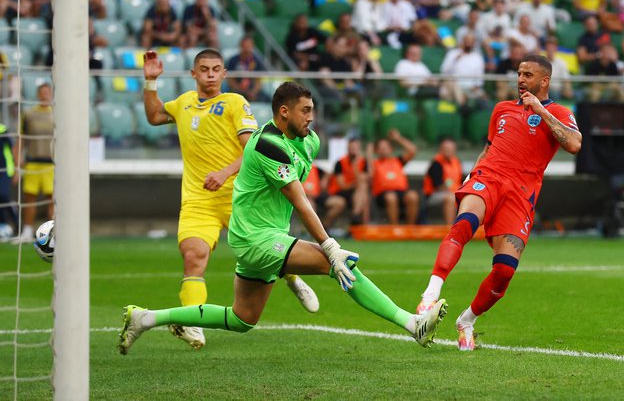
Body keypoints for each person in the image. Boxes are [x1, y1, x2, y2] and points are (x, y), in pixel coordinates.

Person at [118, 82, 447, 355]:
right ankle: (411, 323)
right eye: (305, 111)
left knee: (243, 318)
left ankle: (145, 318)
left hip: (263, 237)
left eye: (313, 110)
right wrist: (329, 245)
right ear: (283, 111)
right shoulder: (267, 145)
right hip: (255, 238)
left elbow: (296, 195)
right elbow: (300, 201)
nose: (311, 118)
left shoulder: (311, 141)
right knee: (338, 264)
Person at [139, 49, 318, 350]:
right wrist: (150, 83)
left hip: (239, 197)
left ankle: (292, 278)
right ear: (193, 74)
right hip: (199, 199)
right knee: (193, 257)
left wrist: (224, 173)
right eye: (204, 69)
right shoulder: (183, 103)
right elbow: (155, 115)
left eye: (216, 69)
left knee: (265, 250)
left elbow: (253, 149)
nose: (210, 74)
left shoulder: (235, 103)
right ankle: (192, 325)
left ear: (224, 74)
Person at [416, 54, 582, 351]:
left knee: (504, 271)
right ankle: (429, 296)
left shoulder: (558, 111)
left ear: (544, 81)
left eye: (528, 75)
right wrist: (471, 177)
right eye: (519, 73)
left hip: (521, 193)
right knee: (464, 225)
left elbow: (574, 144)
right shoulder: (501, 109)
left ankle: (466, 321)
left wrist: (541, 111)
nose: (520, 79)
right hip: (489, 176)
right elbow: (489, 148)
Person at [14, 83, 54, 243]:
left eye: (47, 92)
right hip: (33, 162)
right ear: (38, 94)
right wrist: (18, 162)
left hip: (51, 164)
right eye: (42, 92)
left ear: (51, 94)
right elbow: (21, 138)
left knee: (52, 199)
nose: (45, 95)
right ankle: (27, 231)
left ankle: (51, 232)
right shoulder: (29, 114)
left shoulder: (57, 113)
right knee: (29, 197)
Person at [368, 129, 420, 225]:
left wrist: (398, 138)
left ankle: (410, 227)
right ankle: (394, 227)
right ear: (377, 150)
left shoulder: (398, 160)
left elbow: (412, 150)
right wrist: (369, 152)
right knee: (391, 197)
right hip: (383, 195)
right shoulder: (375, 163)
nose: (383, 149)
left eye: (386, 147)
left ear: (391, 149)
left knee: (413, 196)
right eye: (380, 147)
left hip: (401, 192)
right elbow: (370, 174)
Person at [326, 137, 370, 225]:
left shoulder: (363, 162)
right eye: (351, 148)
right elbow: (343, 186)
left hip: (356, 193)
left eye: (355, 148)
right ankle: (356, 219)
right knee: (363, 192)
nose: (353, 150)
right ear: (347, 148)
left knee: (363, 194)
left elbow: (366, 178)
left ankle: (358, 219)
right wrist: (357, 183)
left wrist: (356, 168)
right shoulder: (340, 163)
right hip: (340, 192)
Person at [423, 137, 463, 225]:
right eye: (446, 149)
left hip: (454, 192)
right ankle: (450, 228)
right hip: (434, 195)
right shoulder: (436, 164)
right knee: (450, 198)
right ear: (441, 150)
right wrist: (456, 193)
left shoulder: (457, 162)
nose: (448, 151)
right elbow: (438, 186)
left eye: (450, 149)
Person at [301, 163, 347, 230]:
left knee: (339, 203)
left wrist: (325, 178)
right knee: (310, 205)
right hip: (305, 196)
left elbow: (327, 173)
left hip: (319, 195)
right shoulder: (298, 167)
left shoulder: (316, 167)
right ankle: (313, 230)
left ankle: (324, 227)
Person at [226, 36, 270, 103]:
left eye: (249, 46)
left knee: (268, 99)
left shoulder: (257, 61)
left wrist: (253, 92)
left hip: (253, 91)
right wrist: (242, 91)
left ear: (253, 46)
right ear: (240, 46)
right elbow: (230, 81)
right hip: (237, 91)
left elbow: (259, 81)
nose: (247, 49)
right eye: (244, 46)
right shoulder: (233, 61)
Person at [0, 123, 17, 241]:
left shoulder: (2, 129)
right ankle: (3, 225)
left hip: (5, 170)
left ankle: (17, 223)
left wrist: (16, 169)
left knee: (3, 195)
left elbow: (12, 149)